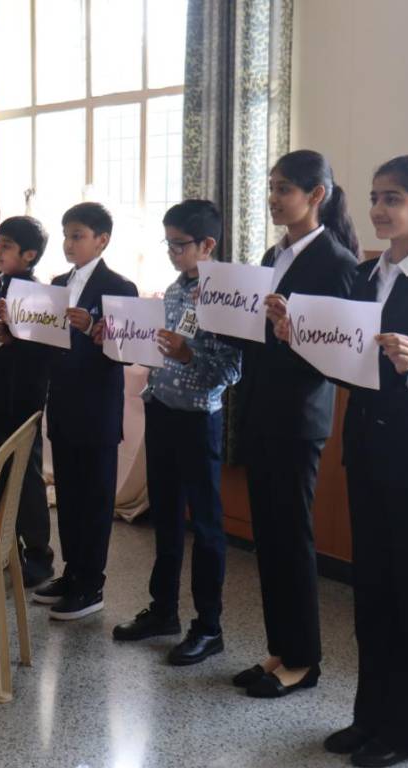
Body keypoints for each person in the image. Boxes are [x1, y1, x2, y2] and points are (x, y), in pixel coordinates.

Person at [272, 155, 408, 767]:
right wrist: (298, 336)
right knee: (373, 597)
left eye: (393, 199)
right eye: (374, 197)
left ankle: (406, 732)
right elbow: (349, 363)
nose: (378, 209)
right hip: (366, 454)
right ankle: (369, 718)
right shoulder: (368, 275)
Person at [233, 149, 360, 698]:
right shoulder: (274, 253)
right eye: (271, 187)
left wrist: (291, 333)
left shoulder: (337, 263)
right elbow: (259, 333)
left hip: (297, 415)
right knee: (269, 538)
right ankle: (280, 648)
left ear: (316, 195)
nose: (273, 198)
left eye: (284, 188)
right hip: (261, 407)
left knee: (291, 538)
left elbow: (338, 354)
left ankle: (304, 661)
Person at [109, 200, 242, 665]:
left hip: (198, 418)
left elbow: (232, 369)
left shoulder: (227, 296)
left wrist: (189, 356)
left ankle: (208, 627)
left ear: (208, 244)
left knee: (205, 526)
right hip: (162, 409)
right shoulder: (174, 288)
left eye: (180, 245)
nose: (172, 252)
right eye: (167, 244)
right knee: (164, 518)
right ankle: (163, 609)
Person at [28, 202, 138, 620]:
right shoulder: (57, 283)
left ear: (101, 240)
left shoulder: (120, 287)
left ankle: (92, 584)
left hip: (97, 408)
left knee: (95, 499)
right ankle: (72, 572)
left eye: (78, 236)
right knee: (69, 495)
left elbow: (127, 351)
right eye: (66, 235)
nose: (69, 243)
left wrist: (92, 328)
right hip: (62, 404)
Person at [0, 215, 55, 589]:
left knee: (27, 479)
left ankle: (39, 555)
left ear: (29, 254)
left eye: (6, 246)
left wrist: (14, 332)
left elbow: (43, 352)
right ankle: (8, 548)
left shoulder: (38, 296)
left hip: (21, 401)